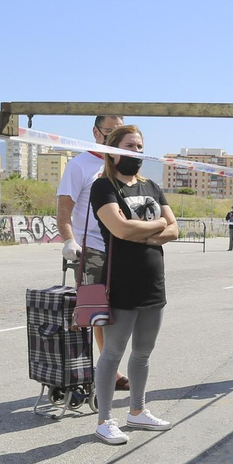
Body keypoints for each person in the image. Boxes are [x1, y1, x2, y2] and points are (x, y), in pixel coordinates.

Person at [88, 124, 177, 445]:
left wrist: (146, 230)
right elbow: (121, 229)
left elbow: (175, 230)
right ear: (114, 150)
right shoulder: (104, 187)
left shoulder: (152, 186)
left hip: (154, 282)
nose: (137, 152)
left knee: (142, 354)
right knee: (112, 354)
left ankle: (137, 412)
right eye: (130, 146)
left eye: (140, 146)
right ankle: (104, 420)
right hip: (121, 283)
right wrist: (156, 226)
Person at [56, 113, 128, 391]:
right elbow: (65, 210)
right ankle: (106, 371)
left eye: (118, 132)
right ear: (96, 132)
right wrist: (69, 240)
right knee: (95, 313)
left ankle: (108, 366)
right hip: (92, 251)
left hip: (123, 248)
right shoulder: (80, 165)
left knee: (122, 312)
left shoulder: (124, 165)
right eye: (108, 131)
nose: (112, 137)